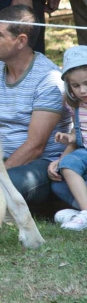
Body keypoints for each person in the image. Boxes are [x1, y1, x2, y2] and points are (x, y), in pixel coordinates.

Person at [0, 5, 71, 214]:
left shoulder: (48, 79)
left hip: (36, 164)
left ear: (21, 41)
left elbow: (35, 146)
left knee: (12, 183)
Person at [48, 46, 87, 230]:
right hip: (84, 152)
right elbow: (78, 133)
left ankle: (82, 213)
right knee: (60, 181)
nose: (82, 91)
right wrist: (68, 140)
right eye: (76, 85)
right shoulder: (76, 106)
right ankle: (84, 212)